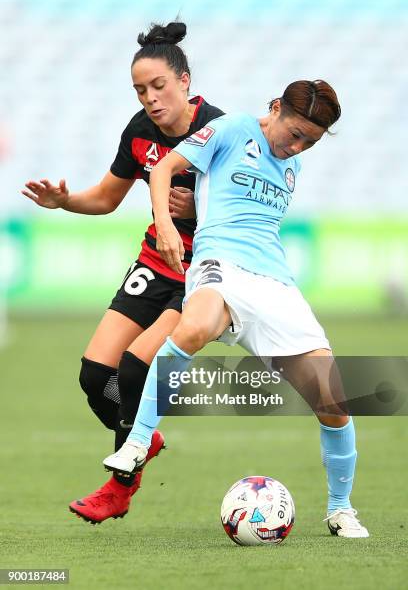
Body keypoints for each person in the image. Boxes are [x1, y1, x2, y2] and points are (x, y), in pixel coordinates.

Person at [103, 79, 369, 538]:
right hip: (218, 263)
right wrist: (166, 224)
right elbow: (166, 168)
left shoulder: (292, 166)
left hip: (274, 283)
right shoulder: (232, 129)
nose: (298, 145)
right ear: (275, 108)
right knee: (196, 325)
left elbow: (247, 211)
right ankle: (137, 442)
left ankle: (340, 509)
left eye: (311, 141)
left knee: (335, 405)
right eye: (295, 132)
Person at [21, 21, 224, 524]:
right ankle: (142, 436)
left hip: (203, 271)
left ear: (185, 81)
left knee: (135, 367)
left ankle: (119, 488)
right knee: (96, 376)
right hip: (155, 263)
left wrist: (196, 208)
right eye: (140, 90)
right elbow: (108, 198)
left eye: (158, 86)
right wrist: (65, 201)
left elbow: (246, 211)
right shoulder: (139, 131)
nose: (150, 99)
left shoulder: (220, 129)